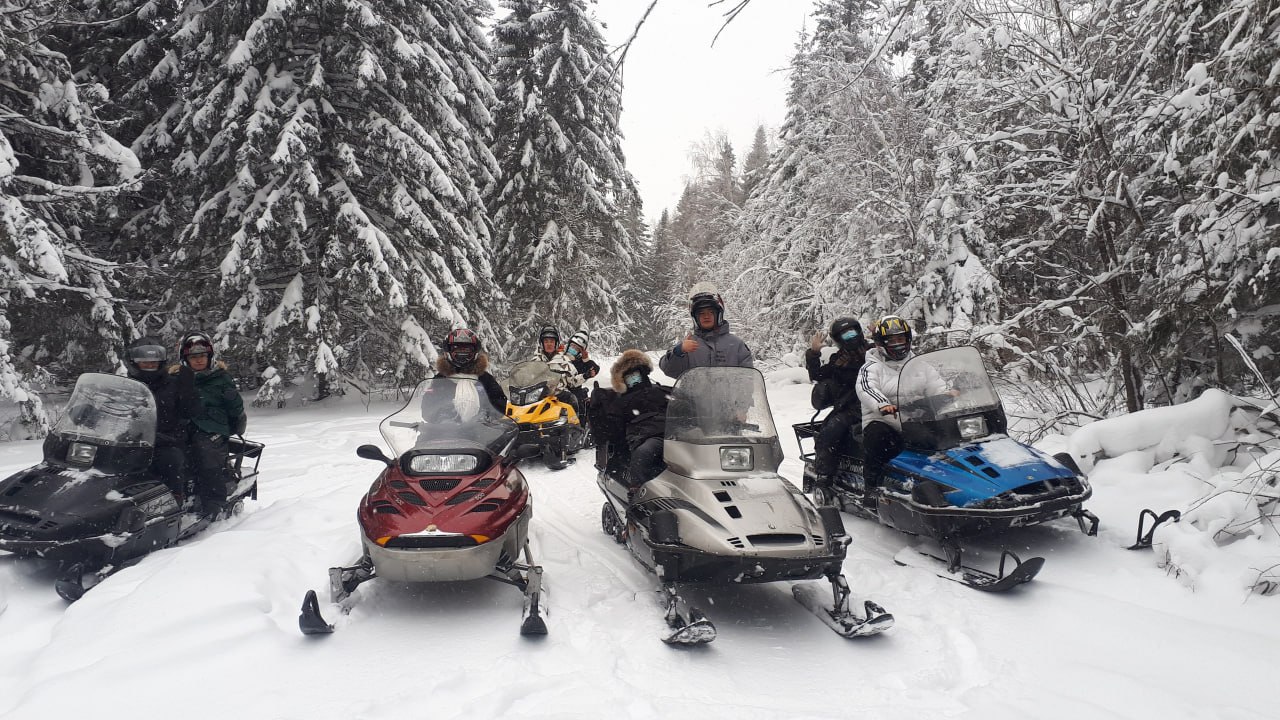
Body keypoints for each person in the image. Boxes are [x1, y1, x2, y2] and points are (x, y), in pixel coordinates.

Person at [857, 316, 948, 504]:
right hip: (883, 419)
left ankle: (945, 482)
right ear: (881, 343)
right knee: (878, 438)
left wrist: (948, 395)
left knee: (945, 436)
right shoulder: (871, 367)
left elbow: (936, 385)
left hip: (916, 418)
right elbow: (866, 388)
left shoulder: (920, 365)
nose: (898, 344)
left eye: (901, 338)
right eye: (892, 340)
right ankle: (872, 489)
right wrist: (883, 404)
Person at [124, 336, 203, 500]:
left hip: (167, 439)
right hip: (130, 439)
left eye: (154, 362)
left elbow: (190, 411)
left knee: (170, 459)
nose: (150, 365)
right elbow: (109, 407)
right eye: (145, 362)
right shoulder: (126, 386)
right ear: (133, 363)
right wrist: (86, 411)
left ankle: (175, 499)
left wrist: (188, 390)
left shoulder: (173, 384)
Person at [177, 332, 247, 510]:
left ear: (210, 357)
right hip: (185, 425)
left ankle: (214, 500)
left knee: (204, 450)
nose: (199, 360)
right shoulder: (178, 378)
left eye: (202, 356)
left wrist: (232, 398)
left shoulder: (221, 378)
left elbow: (236, 411)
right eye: (193, 357)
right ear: (186, 359)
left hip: (213, 427)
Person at [807, 317, 868, 489]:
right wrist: (813, 353)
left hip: (882, 403)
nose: (851, 338)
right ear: (838, 339)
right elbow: (817, 375)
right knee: (829, 433)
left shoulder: (874, 352)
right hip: (851, 409)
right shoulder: (838, 360)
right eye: (846, 335)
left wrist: (881, 337)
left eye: (852, 332)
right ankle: (824, 475)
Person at [659, 282, 753, 380]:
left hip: (728, 391)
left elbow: (748, 378)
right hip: (694, 391)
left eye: (711, 312)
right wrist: (678, 352)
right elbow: (669, 370)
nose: (706, 316)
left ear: (718, 314)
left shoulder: (736, 345)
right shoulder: (688, 344)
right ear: (695, 317)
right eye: (701, 313)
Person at [606, 350, 671, 489]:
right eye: (629, 376)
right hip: (648, 436)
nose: (633, 378)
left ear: (643, 372)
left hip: (676, 434)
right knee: (645, 453)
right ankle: (638, 492)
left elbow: (684, 404)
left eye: (635, 374)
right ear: (623, 380)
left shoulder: (661, 390)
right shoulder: (621, 402)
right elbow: (615, 429)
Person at [437, 328, 507, 411]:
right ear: (448, 351)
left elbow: (501, 403)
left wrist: (488, 413)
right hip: (446, 419)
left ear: (475, 352)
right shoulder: (440, 379)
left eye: (467, 348)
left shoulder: (485, 379)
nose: (462, 351)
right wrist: (442, 414)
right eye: (457, 348)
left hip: (482, 419)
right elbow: (428, 405)